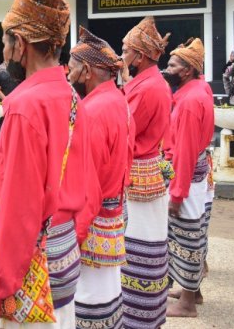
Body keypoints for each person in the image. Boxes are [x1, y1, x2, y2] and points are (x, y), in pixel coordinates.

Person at [0, 0, 84, 329]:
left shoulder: (25, 106)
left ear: (20, 43)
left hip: (31, 262)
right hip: (64, 250)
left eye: (5, 44)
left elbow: (21, 210)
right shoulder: (68, 93)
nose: (4, 54)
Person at [68, 27, 134, 329]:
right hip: (112, 211)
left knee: (91, 304)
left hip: (94, 220)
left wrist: (74, 238)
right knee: (109, 298)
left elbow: (88, 184)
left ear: (87, 71)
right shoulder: (118, 100)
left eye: (72, 67)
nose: (68, 74)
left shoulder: (92, 111)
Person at [119, 16, 173, 329]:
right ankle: (149, 315)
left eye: (126, 50)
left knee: (136, 247)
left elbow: (125, 131)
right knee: (151, 245)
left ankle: (137, 317)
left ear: (139, 56)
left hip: (137, 172)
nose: (121, 54)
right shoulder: (154, 83)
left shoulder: (146, 88)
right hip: (149, 170)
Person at [160, 38, 214, 318]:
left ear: (187, 70)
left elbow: (185, 151)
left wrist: (177, 194)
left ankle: (188, 304)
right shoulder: (196, 88)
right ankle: (193, 291)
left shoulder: (191, 101)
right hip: (195, 175)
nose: (166, 69)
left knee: (188, 238)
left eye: (172, 65)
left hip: (188, 178)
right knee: (195, 234)